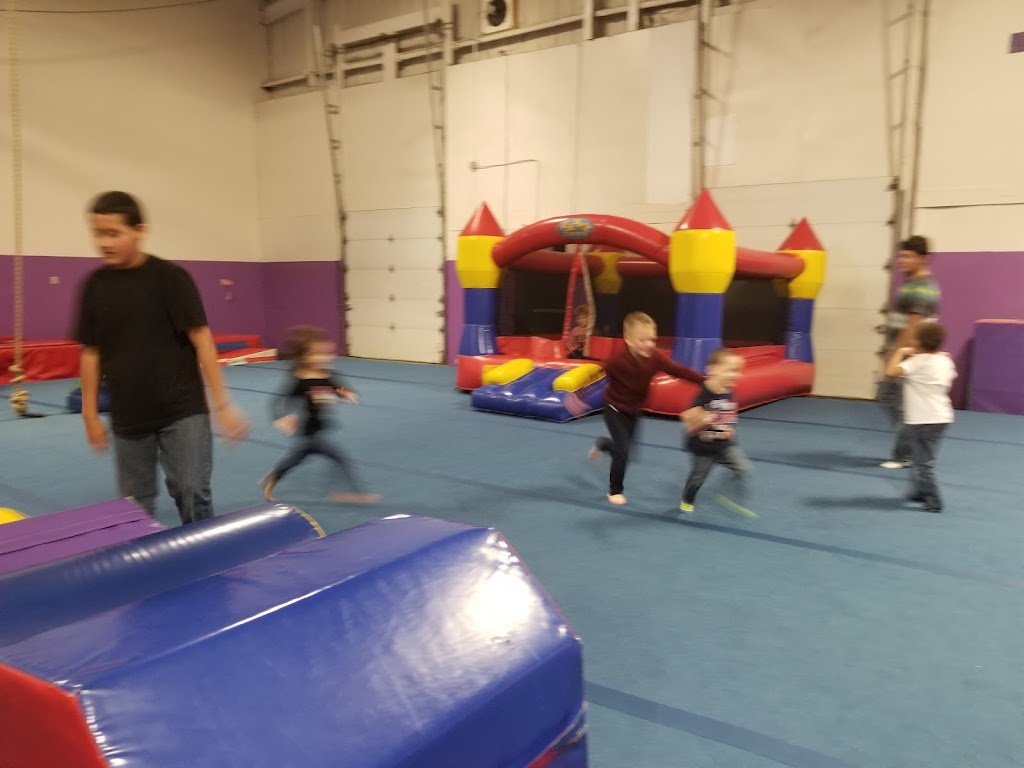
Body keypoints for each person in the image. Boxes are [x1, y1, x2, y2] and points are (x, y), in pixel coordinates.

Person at [74, 191, 249, 524]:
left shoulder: (170, 278)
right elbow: (91, 352)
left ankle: (201, 547)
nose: (104, 242)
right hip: (128, 414)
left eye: (113, 233)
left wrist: (222, 405)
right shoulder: (95, 286)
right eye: (98, 233)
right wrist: (89, 414)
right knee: (135, 505)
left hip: (181, 409)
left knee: (192, 489)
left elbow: (203, 341)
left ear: (140, 231)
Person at [586, 312, 698, 505]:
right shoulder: (617, 360)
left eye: (652, 339)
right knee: (623, 451)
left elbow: (678, 370)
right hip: (614, 407)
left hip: (634, 410)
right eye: (642, 340)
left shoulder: (655, 358)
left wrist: (703, 381)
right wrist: (580, 398)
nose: (649, 344)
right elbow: (597, 375)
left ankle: (604, 444)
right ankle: (615, 490)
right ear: (628, 340)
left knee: (627, 452)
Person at [261, 326, 379, 504]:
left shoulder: (328, 376)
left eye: (325, 354)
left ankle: (274, 475)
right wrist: (283, 418)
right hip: (309, 433)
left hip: (319, 428)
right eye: (316, 354)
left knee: (295, 459)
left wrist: (347, 393)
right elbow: (278, 402)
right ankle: (347, 492)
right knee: (339, 457)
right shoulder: (300, 381)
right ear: (303, 357)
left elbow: (340, 388)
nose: (322, 358)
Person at [878, 235, 941, 469]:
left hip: (909, 354)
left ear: (923, 258)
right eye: (900, 256)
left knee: (898, 402)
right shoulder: (911, 283)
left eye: (908, 256)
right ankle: (913, 446)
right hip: (904, 351)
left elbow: (913, 327)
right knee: (892, 400)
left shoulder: (922, 287)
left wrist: (895, 356)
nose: (902, 261)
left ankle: (905, 454)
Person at [885, 320, 955, 513]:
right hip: (941, 416)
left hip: (923, 419)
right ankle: (920, 490)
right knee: (919, 456)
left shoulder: (915, 363)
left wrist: (901, 352)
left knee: (924, 461)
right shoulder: (945, 361)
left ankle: (933, 500)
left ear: (918, 342)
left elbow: (890, 372)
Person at [679, 348, 754, 517]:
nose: (735, 375)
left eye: (737, 371)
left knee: (743, 468)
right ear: (712, 370)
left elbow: (728, 412)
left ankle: (723, 491)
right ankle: (687, 499)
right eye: (730, 370)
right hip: (703, 447)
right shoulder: (703, 394)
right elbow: (688, 421)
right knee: (697, 479)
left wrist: (729, 428)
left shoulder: (729, 389)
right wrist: (703, 421)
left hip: (723, 444)